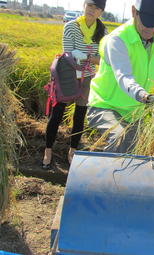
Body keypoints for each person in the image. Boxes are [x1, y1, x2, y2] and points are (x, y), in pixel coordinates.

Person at [87, 0, 154, 153]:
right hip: (105, 105)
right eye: (147, 23)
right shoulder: (118, 39)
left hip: (134, 111)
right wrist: (146, 97)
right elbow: (124, 76)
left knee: (138, 148)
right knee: (120, 137)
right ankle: (103, 175)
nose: (152, 29)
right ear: (134, 12)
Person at [42, 0, 107, 169]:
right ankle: (48, 150)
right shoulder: (71, 26)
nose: (92, 10)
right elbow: (68, 54)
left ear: (101, 12)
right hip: (68, 76)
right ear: (84, 5)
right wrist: (90, 58)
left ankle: (72, 150)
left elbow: (103, 59)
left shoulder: (102, 31)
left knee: (80, 115)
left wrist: (85, 57)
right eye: (90, 5)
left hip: (87, 78)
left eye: (97, 8)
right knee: (57, 113)